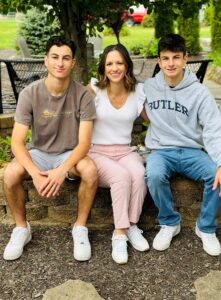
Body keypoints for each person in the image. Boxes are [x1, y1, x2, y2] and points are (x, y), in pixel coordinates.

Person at [3, 36, 98, 262]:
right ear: (45, 60)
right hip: (39, 153)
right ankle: (21, 229)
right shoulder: (30, 93)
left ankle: (80, 228)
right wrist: (36, 174)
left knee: (91, 171)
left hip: (69, 154)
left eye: (66, 58)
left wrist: (60, 170)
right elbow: (17, 142)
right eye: (55, 57)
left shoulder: (83, 95)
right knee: (10, 174)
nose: (60, 63)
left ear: (73, 63)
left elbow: (84, 143)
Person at [143, 33, 221, 256]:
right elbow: (123, 101)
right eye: (166, 58)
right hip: (161, 150)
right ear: (158, 61)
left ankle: (205, 227)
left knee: (215, 176)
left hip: (191, 151)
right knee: (153, 174)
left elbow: (214, 128)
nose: (171, 63)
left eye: (176, 57)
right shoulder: (148, 87)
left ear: (185, 59)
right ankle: (170, 222)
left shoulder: (199, 92)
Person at [87, 44, 149, 264]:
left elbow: (154, 120)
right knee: (121, 177)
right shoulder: (94, 88)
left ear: (127, 66)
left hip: (124, 150)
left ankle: (132, 225)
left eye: (119, 63)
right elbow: (76, 119)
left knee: (140, 175)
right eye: (109, 63)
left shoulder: (138, 91)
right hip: (96, 151)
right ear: (103, 67)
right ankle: (119, 234)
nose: (114, 68)